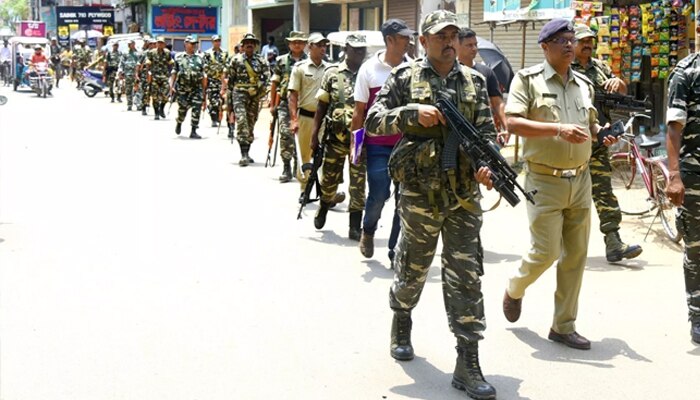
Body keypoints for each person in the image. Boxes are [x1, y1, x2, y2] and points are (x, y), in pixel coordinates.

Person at [365, 10, 497, 399]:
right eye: (441, 35)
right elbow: (372, 122)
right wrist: (410, 114)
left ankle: (467, 360)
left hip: (462, 196)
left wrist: (487, 165)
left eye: (454, 34)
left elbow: (488, 134)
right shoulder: (404, 79)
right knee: (413, 266)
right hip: (420, 192)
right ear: (423, 41)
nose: (449, 41)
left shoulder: (475, 80)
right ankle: (401, 316)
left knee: (466, 275)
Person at [503, 19, 616, 351]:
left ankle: (563, 325)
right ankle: (515, 287)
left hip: (580, 178)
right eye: (560, 40)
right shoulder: (527, 80)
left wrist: (603, 134)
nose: (569, 45)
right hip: (543, 179)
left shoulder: (583, 83)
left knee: (576, 255)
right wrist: (557, 130)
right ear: (545, 47)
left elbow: (591, 124)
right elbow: (512, 122)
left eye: (571, 39)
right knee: (546, 252)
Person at [571, 24, 643, 263]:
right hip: (568, 145)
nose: (588, 45)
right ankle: (558, 245)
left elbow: (620, 90)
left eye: (591, 40)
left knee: (604, 192)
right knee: (566, 196)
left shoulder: (600, 67)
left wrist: (618, 83)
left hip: (598, 144)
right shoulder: (563, 67)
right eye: (583, 41)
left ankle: (613, 242)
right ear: (572, 43)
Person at [351, 18, 414, 260]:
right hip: (377, 145)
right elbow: (359, 112)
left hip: (407, 146)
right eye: (403, 37)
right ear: (389, 40)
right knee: (379, 193)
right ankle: (368, 230)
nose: (408, 41)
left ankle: (394, 249)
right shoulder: (369, 70)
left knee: (404, 198)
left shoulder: (413, 68)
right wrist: (355, 149)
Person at [312, 34, 368, 240]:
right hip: (334, 138)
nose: (360, 53)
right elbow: (321, 106)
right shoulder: (332, 73)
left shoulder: (368, 73)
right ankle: (324, 206)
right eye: (355, 49)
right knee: (328, 181)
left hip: (360, 140)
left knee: (358, 185)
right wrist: (314, 135)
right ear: (346, 49)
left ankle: (355, 226)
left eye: (362, 49)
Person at [665, 15, 700, 345]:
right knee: (696, 248)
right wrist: (674, 176)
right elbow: (673, 128)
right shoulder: (686, 73)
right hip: (695, 174)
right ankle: (698, 314)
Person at [288, 33, 334, 201]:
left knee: (325, 154)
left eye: (324, 45)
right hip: (306, 117)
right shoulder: (300, 68)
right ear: (310, 47)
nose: (323, 48)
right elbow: (293, 96)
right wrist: (293, 119)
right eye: (319, 45)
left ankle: (325, 191)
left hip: (325, 119)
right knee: (305, 153)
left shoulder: (330, 69)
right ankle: (304, 188)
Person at [457, 27, 509, 145]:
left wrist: (506, 126)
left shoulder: (486, 72)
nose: (474, 48)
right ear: (457, 46)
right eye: (469, 45)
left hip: (483, 133)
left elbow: (498, 103)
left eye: (475, 44)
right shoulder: (451, 72)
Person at [225, 33, 269, 166]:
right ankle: (243, 154)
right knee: (242, 121)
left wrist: (260, 91)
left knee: (251, 123)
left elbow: (267, 78)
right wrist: (229, 102)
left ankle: (247, 151)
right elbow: (230, 81)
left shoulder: (262, 61)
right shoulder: (236, 60)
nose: (249, 44)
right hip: (239, 94)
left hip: (254, 96)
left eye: (252, 42)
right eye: (247, 42)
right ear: (242, 46)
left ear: (255, 46)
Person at [270, 31, 308, 182]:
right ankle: (286, 166)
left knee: (302, 137)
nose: (297, 44)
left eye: (300, 42)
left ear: (305, 44)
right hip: (285, 104)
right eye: (294, 42)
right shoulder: (281, 61)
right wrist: (273, 104)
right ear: (289, 44)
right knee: (286, 135)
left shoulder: (309, 61)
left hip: (304, 104)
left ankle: (298, 166)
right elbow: (274, 83)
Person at [170, 35, 208, 139]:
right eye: (192, 44)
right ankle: (179, 122)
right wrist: (171, 86)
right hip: (183, 89)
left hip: (196, 88)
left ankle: (194, 130)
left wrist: (204, 91)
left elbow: (204, 74)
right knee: (182, 109)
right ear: (186, 44)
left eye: (195, 44)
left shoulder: (200, 58)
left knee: (197, 109)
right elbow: (174, 72)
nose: (194, 46)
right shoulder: (178, 57)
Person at [145, 36, 174, 120]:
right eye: (158, 43)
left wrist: (171, 73)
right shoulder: (151, 52)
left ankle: (161, 108)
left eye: (161, 43)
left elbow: (171, 63)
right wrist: (148, 75)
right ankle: (156, 113)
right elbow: (148, 64)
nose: (160, 44)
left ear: (164, 44)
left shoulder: (167, 52)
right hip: (154, 77)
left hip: (164, 77)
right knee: (155, 96)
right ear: (156, 43)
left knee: (166, 95)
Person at [203, 34, 229, 127]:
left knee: (221, 100)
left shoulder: (225, 53)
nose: (217, 43)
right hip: (211, 80)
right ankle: (213, 118)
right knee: (213, 100)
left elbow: (227, 64)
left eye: (218, 41)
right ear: (212, 42)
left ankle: (218, 115)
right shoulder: (207, 53)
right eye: (215, 41)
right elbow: (204, 66)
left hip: (221, 80)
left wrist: (225, 75)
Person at [119, 39, 140, 111]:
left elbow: (140, 63)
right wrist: (120, 71)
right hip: (127, 74)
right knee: (128, 90)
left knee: (137, 89)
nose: (129, 45)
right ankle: (129, 104)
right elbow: (121, 63)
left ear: (134, 44)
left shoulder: (138, 54)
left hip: (136, 74)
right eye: (128, 44)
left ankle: (138, 104)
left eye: (130, 44)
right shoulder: (125, 53)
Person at [135, 38, 154, 114]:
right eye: (152, 44)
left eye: (154, 44)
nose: (153, 45)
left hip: (155, 75)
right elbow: (138, 64)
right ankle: (143, 107)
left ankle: (156, 109)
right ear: (149, 45)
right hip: (145, 75)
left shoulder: (157, 53)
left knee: (154, 92)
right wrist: (137, 74)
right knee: (145, 91)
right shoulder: (144, 54)